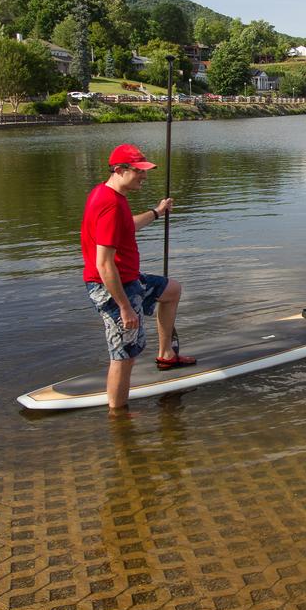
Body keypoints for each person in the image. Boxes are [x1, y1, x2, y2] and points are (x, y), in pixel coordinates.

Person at [81, 143, 194, 412]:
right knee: (124, 355)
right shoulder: (109, 204)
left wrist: (157, 212)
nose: (144, 176)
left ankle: (166, 354)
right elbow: (103, 263)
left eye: (145, 170)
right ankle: (118, 416)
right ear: (120, 170)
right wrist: (124, 307)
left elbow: (127, 226)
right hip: (113, 287)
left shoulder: (109, 194)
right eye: (139, 171)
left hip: (129, 279)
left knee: (172, 290)